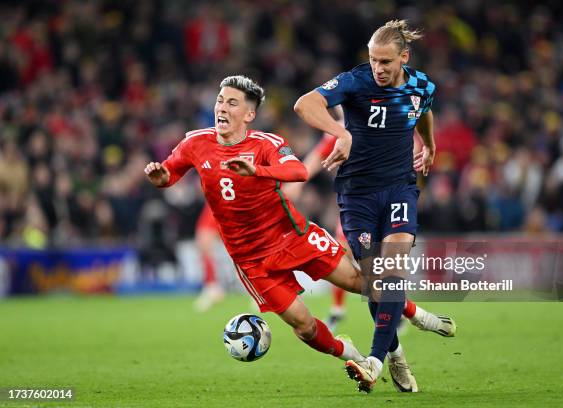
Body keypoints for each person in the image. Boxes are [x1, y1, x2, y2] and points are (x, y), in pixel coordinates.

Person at [145, 75, 368, 371]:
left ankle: (404, 325)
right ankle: (351, 354)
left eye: (232, 103)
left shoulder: (268, 144)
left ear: (249, 115)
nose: (222, 108)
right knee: (303, 326)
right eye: (220, 101)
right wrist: (161, 178)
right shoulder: (195, 143)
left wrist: (257, 171)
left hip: (291, 235)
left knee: (356, 281)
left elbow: (299, 171)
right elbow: (169, 173)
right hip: (251, 259)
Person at [294, 20, 456, 393]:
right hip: (357, 195)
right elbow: (305, 104)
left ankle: (373, 362)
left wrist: (428, 144)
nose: (378, 69)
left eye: (385, 62)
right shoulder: (356, 81)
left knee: (391, 271)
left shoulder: (421, 85)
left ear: (404, 57)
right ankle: (396, 354)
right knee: (374, 282)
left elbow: (424, 108)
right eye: (372, 60)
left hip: (400, 189)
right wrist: (341, 132)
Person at [285, 129, 453, 337]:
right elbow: (319, 153)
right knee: (345, 253)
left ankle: (397, 313)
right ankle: (339, 310)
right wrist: (299, 179)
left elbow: (415, 151)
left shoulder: (395, 122)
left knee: (385, 263)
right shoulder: (342, 128)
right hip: (356, 205)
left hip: (388, 203)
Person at [193, 204, 226, 312]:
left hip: (229, 195)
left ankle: (212, 287)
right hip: (218, 195)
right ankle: (212, 286)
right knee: (204, 239)